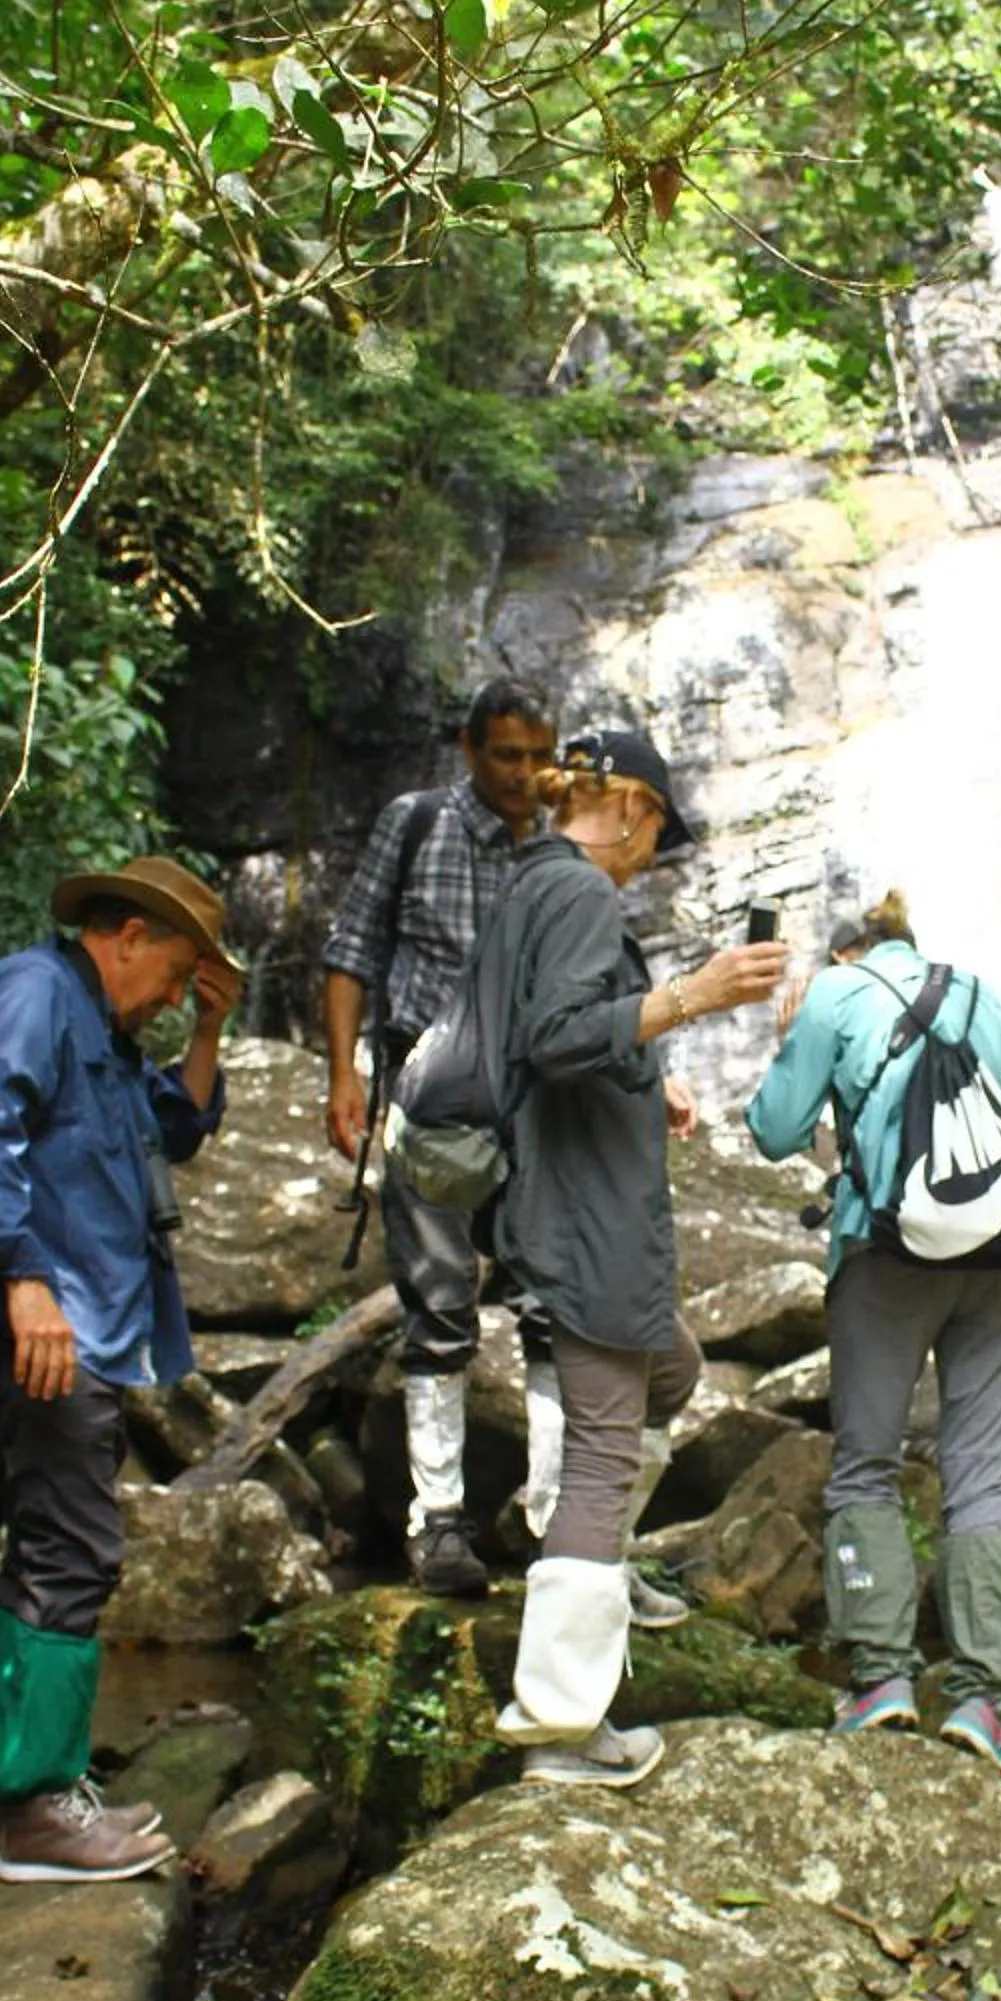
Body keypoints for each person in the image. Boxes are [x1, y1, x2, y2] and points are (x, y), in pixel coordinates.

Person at [0, 856, 244, 1881]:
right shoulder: (34, 993)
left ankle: (35, 1785)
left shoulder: (103, 1034)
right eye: (177, 973)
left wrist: (207, 1030)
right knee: (71, 1542)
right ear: (127, 935)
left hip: (78, 1322)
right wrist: (25, 1278)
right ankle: (33, 1811)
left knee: (61, 1535)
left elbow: (175, 1128)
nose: (176, 995)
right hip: (42, 1319)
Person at [484, 727, 787, 1787]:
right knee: (604, 1451)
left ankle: (600, 1560)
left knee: (672, 1369)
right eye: (657, 830)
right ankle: (563, 1726)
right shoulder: (576, 891)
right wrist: (695, 995)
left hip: (568, 1198)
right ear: (626, 806)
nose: (654, 856)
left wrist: (645, 1076)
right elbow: (557, 1037)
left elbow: (554, 1042)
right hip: (587, 1215)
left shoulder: (529, 883)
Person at [744, 890, 1001, 1773]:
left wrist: (791, 1040)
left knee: (867, 1465)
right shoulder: (978, 994)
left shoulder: (833, 995)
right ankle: (981, 1701)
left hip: (885, 1258)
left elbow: (773, 1130)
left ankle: (882, 1681)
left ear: (844, 954)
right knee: (981, 1480)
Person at [321, 678, 557, 1596]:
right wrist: (343, 1075)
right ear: (469, 750)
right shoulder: (417, 824)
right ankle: (439, 1523)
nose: (524, 775)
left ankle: (549, 1516)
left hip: (536, 1104)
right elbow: (352, 950)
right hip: (428, 1100)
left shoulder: (560, 846)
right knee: (439, 1300)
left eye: (539, 757)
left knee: (550, 1299)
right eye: (507, 755)